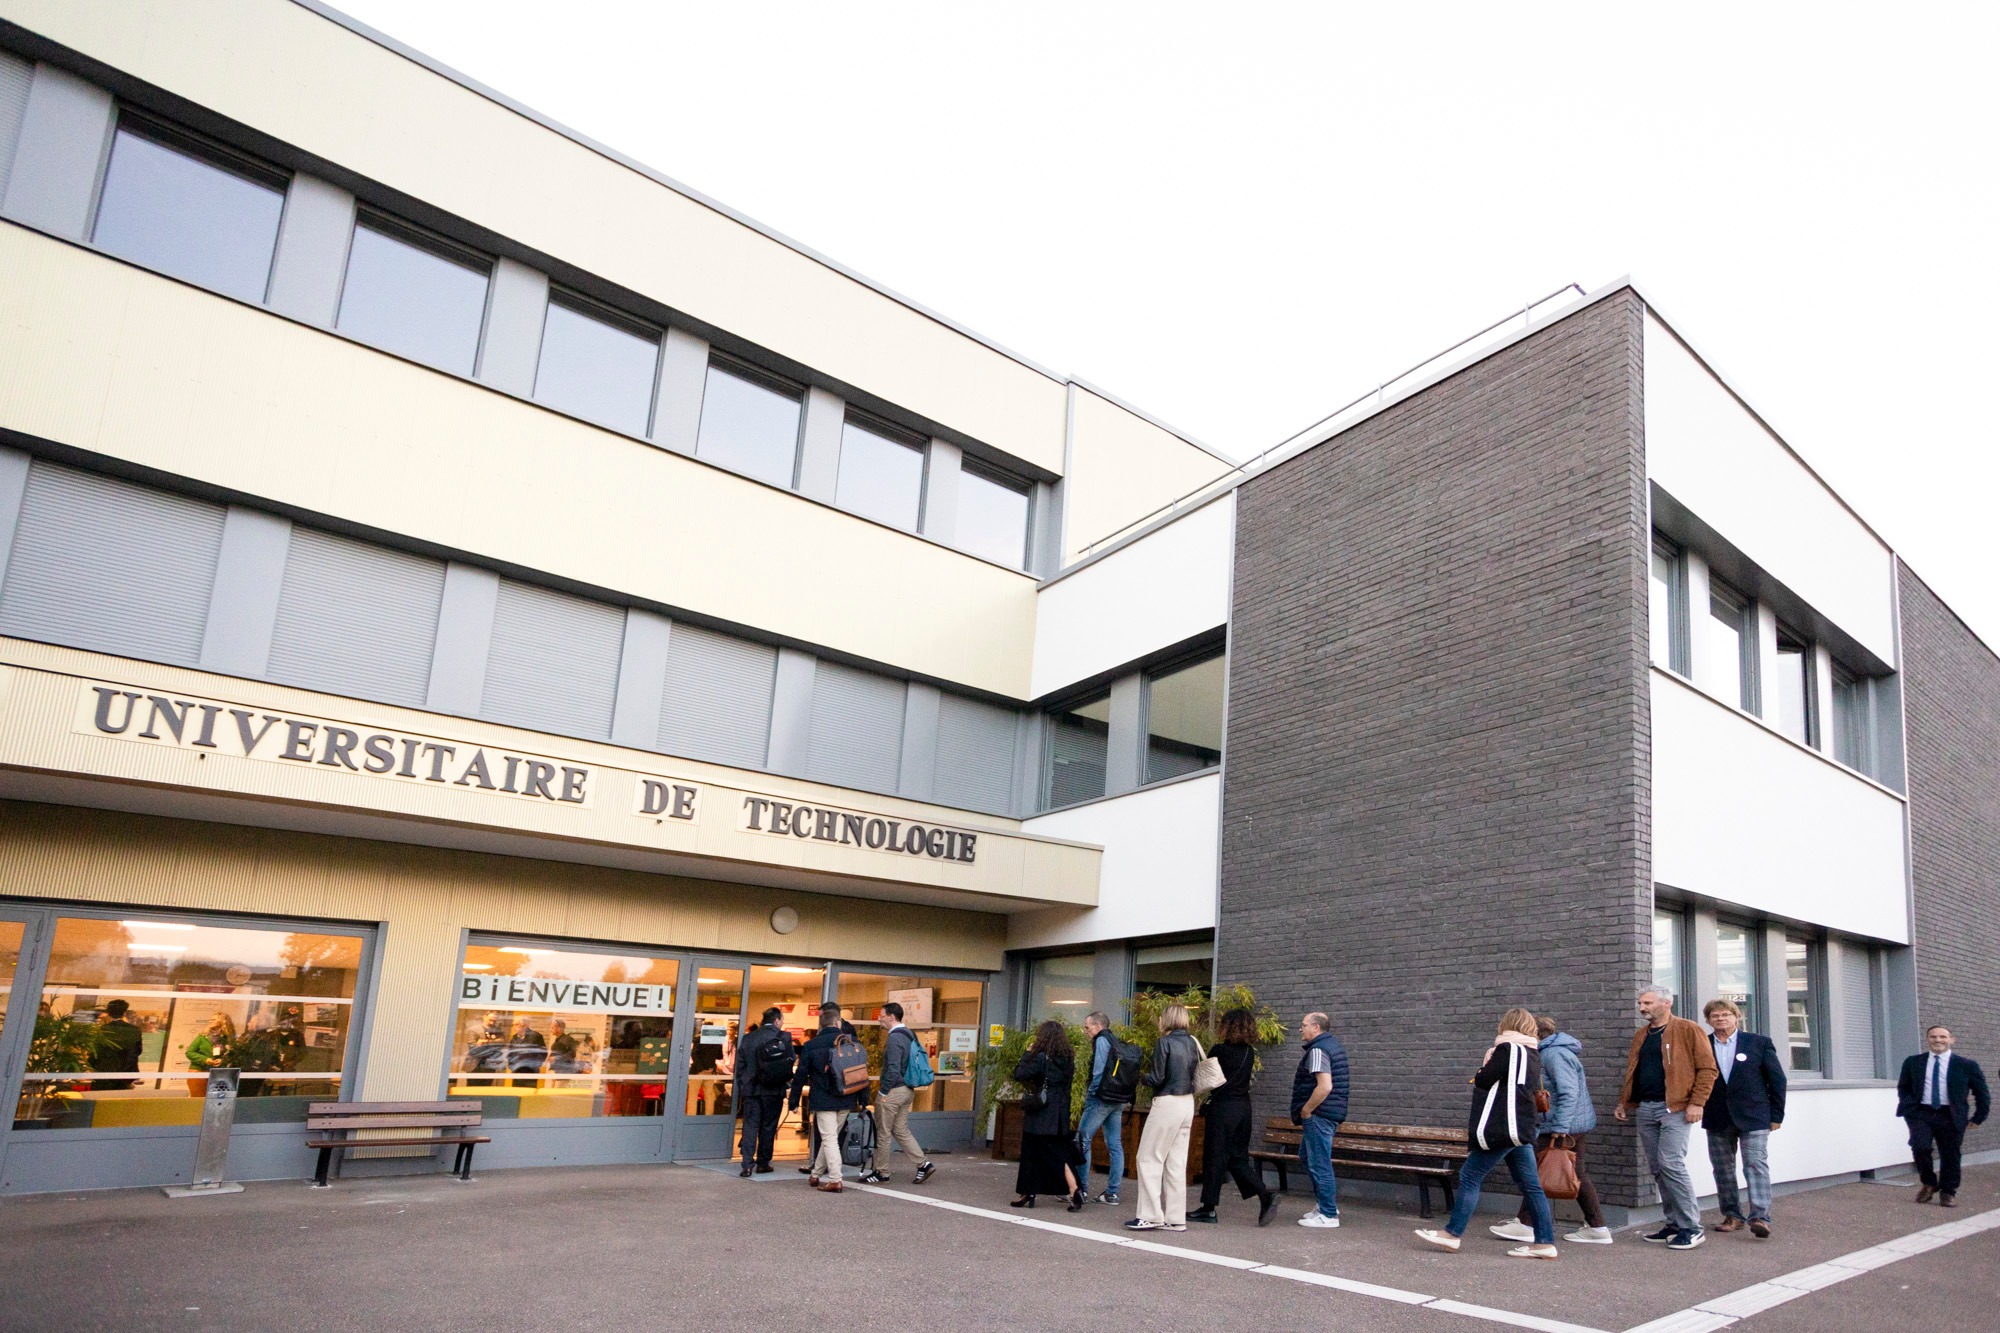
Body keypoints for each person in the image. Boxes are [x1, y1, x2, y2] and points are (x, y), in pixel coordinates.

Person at [1415, 1007, 1559, 1260]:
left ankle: (1452, 1234)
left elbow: (1483, 1080)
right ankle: (1544, 1243)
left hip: (1502, 1127)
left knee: (1471, 1176)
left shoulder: (1506, 1050)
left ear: (1507, 1025)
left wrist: (1484, 1066)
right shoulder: (1533, 1053)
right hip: (1522, 1128)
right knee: (1531, 1187)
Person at [1488, 1016, 1609, 1245]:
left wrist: (1560, 1127)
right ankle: (1596, 1227)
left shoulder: (1554, 1054)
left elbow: (1568, 1092)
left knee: (1537, 1172)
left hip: (1562, 1126)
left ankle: (1527, 1224)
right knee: (1571, 1173)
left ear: (1534, 1034)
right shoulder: (1550, 1052)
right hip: (1562, 1124)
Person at [1614, 986, 1717, 1251]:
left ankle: (1692, 1227)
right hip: (1646, 1108)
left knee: (1670, 1163)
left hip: (1677, 1108)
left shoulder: (1687, 1029)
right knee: (1658, 1168)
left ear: (1666, 1003)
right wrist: (1625, 1101)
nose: (1642, 1008)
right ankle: (1674, 1223)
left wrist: (1697, 1103)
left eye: (1647, 1003)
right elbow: (1634, 1071)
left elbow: (1707, 1069)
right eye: (1640, 1003)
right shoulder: (1642, 1035)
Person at [1700, 999, 1787, 1238]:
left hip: (1755, 1116)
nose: (1721, 1019)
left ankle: (1760, 1216)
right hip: (1717, 1116)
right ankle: (1732, 1215)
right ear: (1708, 1020)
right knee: (1722, 1169)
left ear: (1736, 1017)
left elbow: (1777, 1080)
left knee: (1755, 1165)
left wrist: (1776, 1114)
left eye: (1726, 1014)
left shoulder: (1758, 1043)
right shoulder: (1702, 1044)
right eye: (1715, 1016)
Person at [1189, 1007, 1279, 1227]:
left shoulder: (1219, 1050)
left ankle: (1209, 1209)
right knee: (1237, 1157)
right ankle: (1264, 1195)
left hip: (1223, 1109)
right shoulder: (1250, 1052)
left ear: (1228, 1026)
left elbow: (1207, 1079)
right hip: (1243, 1109)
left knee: (1215, 1156)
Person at [1125, 1003, 1201, 1233]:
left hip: (1167, 1102)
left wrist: (1138, 1077)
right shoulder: (1192, 1042)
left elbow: (1157, 1078)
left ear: (1165, 1020)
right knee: (1176, 1163)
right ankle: (1175, 1218)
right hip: (1188, 1102)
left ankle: (1150, 1216)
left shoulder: (1164, 1042)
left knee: (1148, 1157)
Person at [1897, 1025, 1990, 1208]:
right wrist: (1909, 1108)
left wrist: (1978, 1117)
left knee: (1950, 1154)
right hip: (1921, 1113)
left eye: (1942, 1037)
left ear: (1951, 1040)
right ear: (1927, 1040)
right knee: (1920, 1147)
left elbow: (1982, 1093)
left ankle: (1948, 1192)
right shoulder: (1913, 1062)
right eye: (1933, 1037)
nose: (1938, 1040)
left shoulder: (1966, 1065)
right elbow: (1904, 1087)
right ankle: (1929, 1183)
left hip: (1951, 1115)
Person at [789, 1007, 866, 1191]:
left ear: (821, 1025)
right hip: (846, 1098)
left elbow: (800, 1075)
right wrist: (863, 1099)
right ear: (838, 1022)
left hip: (823, 1100)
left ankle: (835, 1179)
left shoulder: (811, 1045)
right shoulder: (851, 1043)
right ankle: (816, 1174)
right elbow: (862, 1073)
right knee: (830, 1138)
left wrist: (793, 1101)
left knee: (829, 1138)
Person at [861, 1001, 936, 1185]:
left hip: (893, 1091)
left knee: (884, 1133)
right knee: (900, 1130)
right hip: (907, 1090)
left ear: (891, 1017)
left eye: (882, 1015)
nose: (879, 1018)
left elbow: (893, 1069)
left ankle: (882, 1172)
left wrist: (883, 1092)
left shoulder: (894, 1038)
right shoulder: (910, 1034)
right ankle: (923, 1164)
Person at [1011, 1020, 1082, 1210]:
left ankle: (1028, 1191)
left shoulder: (1040, 1057)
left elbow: (1019, 1074)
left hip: (1041, 1111)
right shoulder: (1068, 1058)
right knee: (1059, 1153)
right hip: (1060, 1112)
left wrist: (1027, 1054)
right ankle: (1074, 1190)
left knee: (1031, 1152)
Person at [1290, 1010, 1351, 1229]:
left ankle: (1328, 1214)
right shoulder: (1332, 1045)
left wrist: (1307, 1110)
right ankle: (1325, 1206)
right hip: (1329, 1113)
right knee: (1308, 1156)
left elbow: (1324, 1086)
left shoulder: (1318, 1050)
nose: (1301, 1029)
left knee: (1319, 1162)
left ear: (1316, 1027)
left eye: (1304, 1025)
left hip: (1320, 1114)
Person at [1076, 1010, 1130, 1205]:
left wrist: (1092, 1092)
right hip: (1118, 1099)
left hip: (1101, 1098)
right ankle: (1112, 1193)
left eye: (1088, 1027)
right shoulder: (1116, 1041)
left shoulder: (1101, 1041)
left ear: (1098, 1026)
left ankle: (1080, 1189)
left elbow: (1098, 1070)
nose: (1086, 1031)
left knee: (1082, 1140)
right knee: (1115, 1145)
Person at [735, 1007, 791, 1177]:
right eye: (782, 1020)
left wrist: (743, 1085)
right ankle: (763, 1163)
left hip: (751, 1090)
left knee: (750, 1125)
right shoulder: (783, 1038)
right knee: (768, 1126)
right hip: (774, 1090)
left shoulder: (748, 1038)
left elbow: (740, 1066)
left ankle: (746, 1165)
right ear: (776, 1021)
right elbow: (789, 1062)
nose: (782, 1023)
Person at [90, 999, 144, 1091]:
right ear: (124, 1013)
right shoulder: (135, 1030)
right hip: (125, 1075)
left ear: (108, 1013)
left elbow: (95, 1053)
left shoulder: (102, 1030)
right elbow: (137, 1051)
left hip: (104, 1074)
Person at [183, 1012, 236, 1098]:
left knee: (216, 1101)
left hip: (219, 1074)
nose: (210, 1021)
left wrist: (222, 1061)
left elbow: (233, 1055)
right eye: (210, 1019)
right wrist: (205, 1060)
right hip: (199, 1072)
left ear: (222, 1021)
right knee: (198, 1101)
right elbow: (189, 1053)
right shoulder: (202, 1037)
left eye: (214, 1019)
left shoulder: (228, 1039)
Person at [505, 1015, 547, 1087]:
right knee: (516, 1091)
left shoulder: (535, 1036)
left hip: (530, 1071)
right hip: (517, 1070)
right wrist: (511, 1065)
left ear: (524, 1025)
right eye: (513, 1025)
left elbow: (543, 1053)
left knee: (529, 1092)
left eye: (516, 1024)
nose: (514, 1027)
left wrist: (535, 1065)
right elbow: (510, 1052)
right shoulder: (515, 1037)